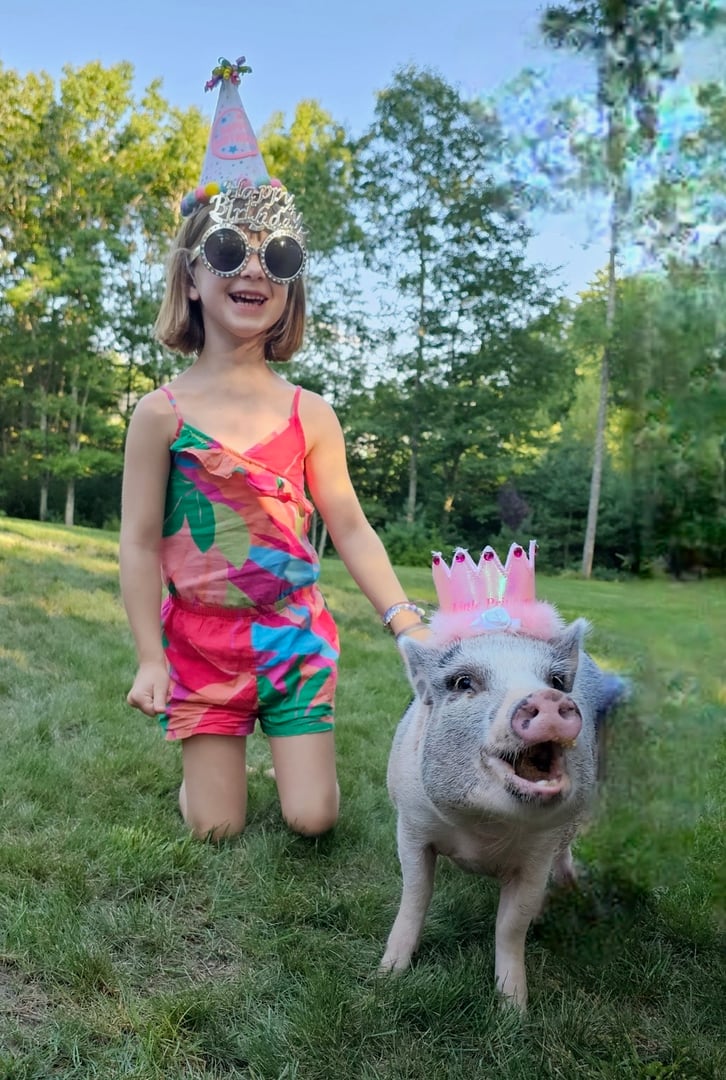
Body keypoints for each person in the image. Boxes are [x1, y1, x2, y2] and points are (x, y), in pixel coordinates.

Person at [119, 57, 428, 843]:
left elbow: (350, 526)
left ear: (290, 286)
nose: (253, 266)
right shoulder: (159, 414)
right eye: (228, 250)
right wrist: (151, 658)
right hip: (200, 638)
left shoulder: (311, 413)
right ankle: (206, 775)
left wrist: (403, 618)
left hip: (292, 634)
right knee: (216, 829)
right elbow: (137, 542)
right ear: (191, 278)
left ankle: (278, 755)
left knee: (312, 818)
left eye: (277, 256)